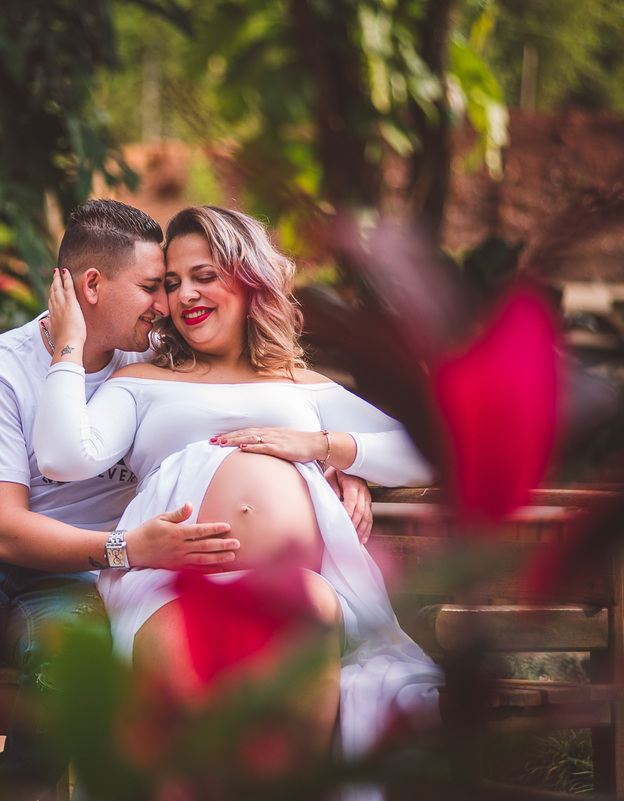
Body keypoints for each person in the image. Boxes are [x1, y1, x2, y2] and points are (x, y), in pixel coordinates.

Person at [32, 205, 444, 781]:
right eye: (172, 283)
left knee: (282, 770)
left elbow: (430, 451)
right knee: (195, 764)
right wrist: (69, 345)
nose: (183, 296)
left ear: (249, 277)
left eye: (204, 275)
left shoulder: (299, 387)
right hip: (174, 587)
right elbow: (62, 455)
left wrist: (326, 448)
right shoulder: (142, 383)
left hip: (292, 585)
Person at [0, 199, 247, 801]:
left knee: (72, 653)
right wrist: (127, 548)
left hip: (71, 577)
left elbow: (253, 400)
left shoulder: (155, 366)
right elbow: (5, 531)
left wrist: (334, 465)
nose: (164, 304)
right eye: (149, 287)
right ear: (91, 285)